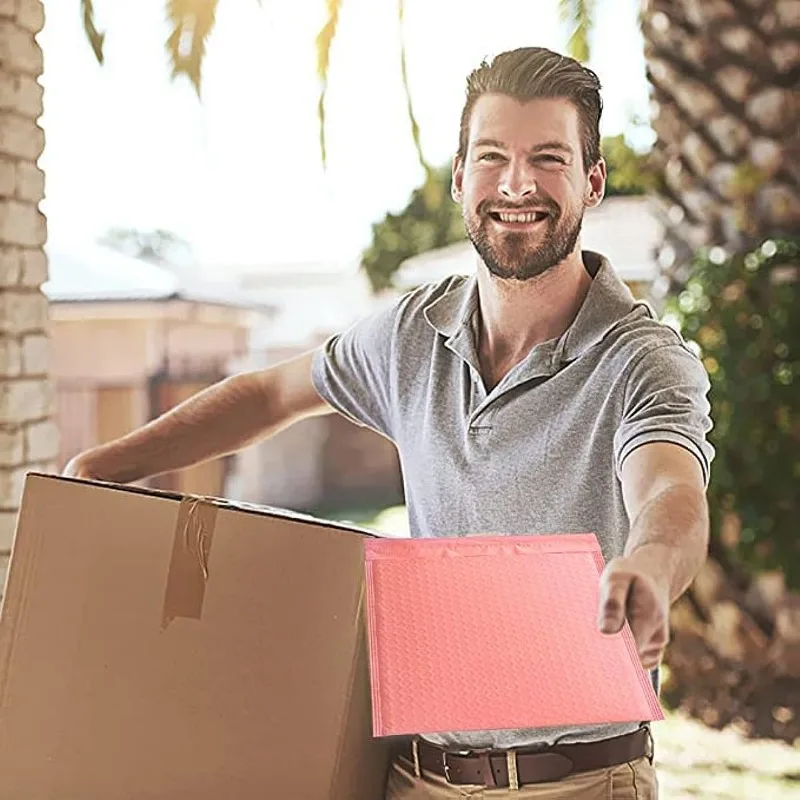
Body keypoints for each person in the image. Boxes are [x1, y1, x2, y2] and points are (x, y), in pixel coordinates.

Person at [66, 47, 713, 799]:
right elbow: (270, 396)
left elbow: (669, 487)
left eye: (548, 158)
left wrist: (652, 565)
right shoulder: (410, 336)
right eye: (492, 156)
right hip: (415, 777)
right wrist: (108, 465)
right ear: (459, 178)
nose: (516, 184)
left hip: (578, 783)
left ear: (592, 181)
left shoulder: (641, 360)